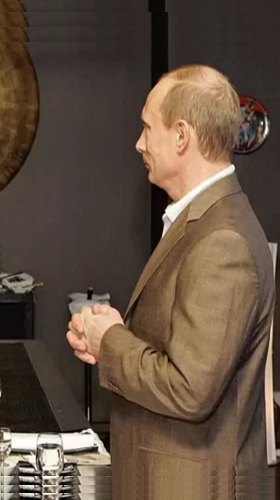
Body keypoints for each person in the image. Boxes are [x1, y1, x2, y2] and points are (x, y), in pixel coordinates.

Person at [67, 64, 276, 500]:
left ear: (181, 136)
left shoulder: (223, 240)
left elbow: (189, 389)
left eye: (147, 128)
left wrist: (111, 342)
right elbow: (180, 349)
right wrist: (113, 335)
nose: (139, 143)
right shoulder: (203, 221)